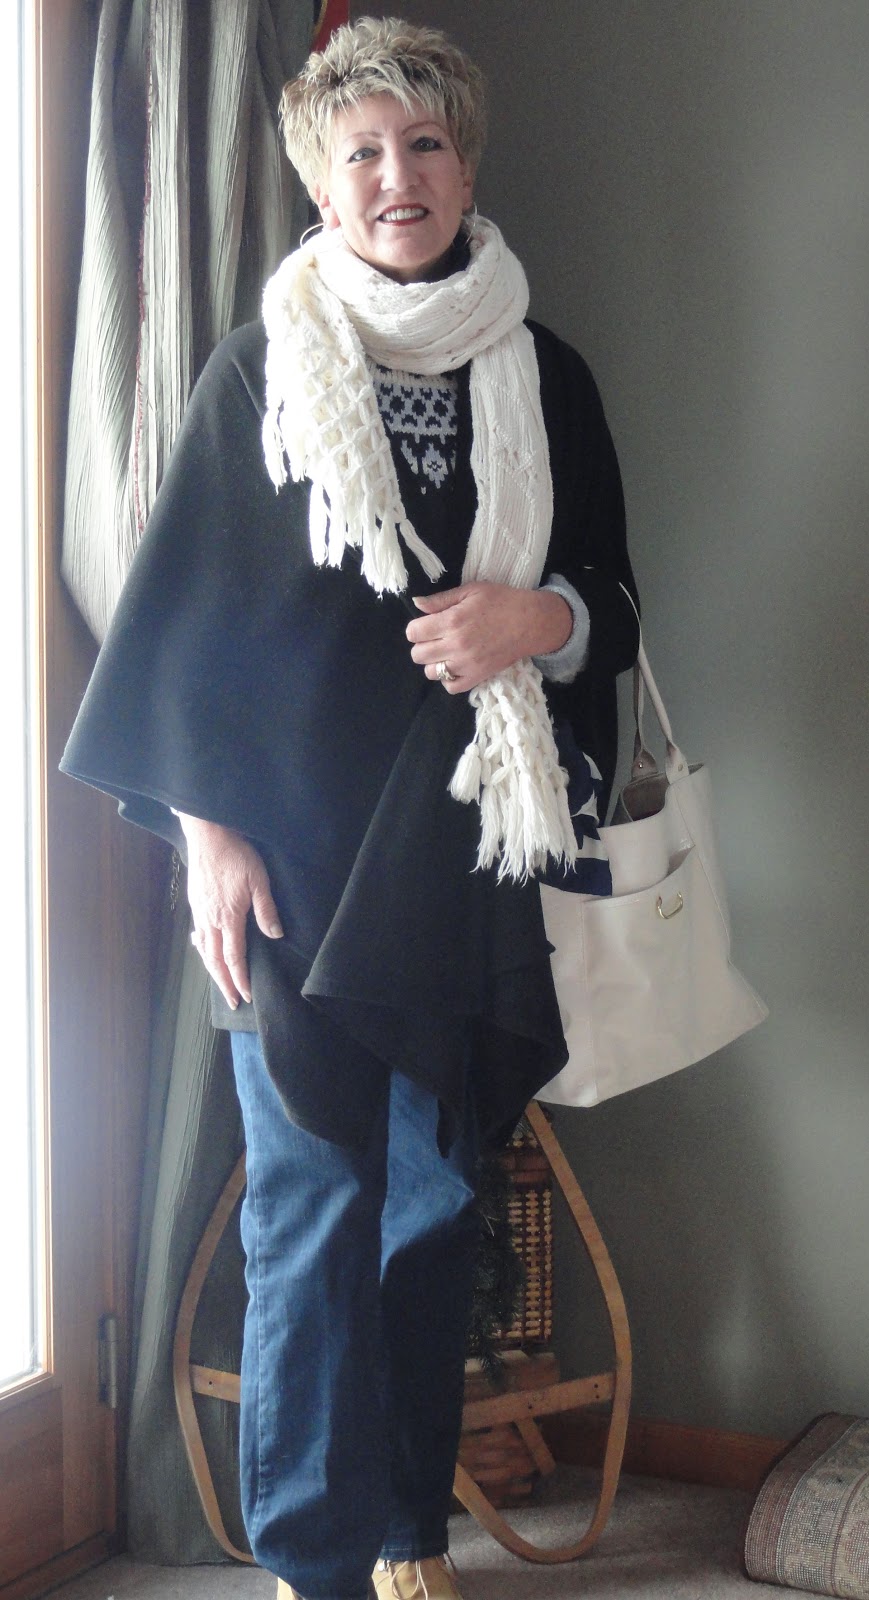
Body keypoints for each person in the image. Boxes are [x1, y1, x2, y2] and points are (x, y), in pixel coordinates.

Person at [62, 18, 638, 1600]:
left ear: (467, 163)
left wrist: (536, 620)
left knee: (438, 1206)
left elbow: (611, 604)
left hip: (465, 851)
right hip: (294, 861)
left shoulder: (548, 374)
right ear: (322, 185)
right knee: (314, 1212)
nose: (398, 176)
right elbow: (183, 636)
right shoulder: (262, 369)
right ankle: (311, 1562)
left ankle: (404, 1535)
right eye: (363, 151)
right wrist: (207, 839)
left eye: (425, 143)